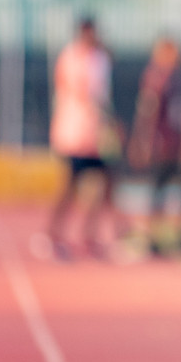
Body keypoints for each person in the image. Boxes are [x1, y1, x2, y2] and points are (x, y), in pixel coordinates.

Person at [45, 16, 118, 259]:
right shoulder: (70, 57)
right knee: (70, 185)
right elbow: (87, 93)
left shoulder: (100, 59)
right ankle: (53, 234)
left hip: (96, 133)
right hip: (74, 132)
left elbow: (103, 96)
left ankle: (89, 235)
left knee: (102, 182)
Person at [125, 37, 181, 256]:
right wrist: (142, 140)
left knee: (166, 190)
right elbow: (147, 112)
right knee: (156, 189)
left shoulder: (175, 78)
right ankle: (149, 235)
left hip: (171, 142)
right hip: (159, 142)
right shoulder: (156, 77)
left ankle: (158, 235)